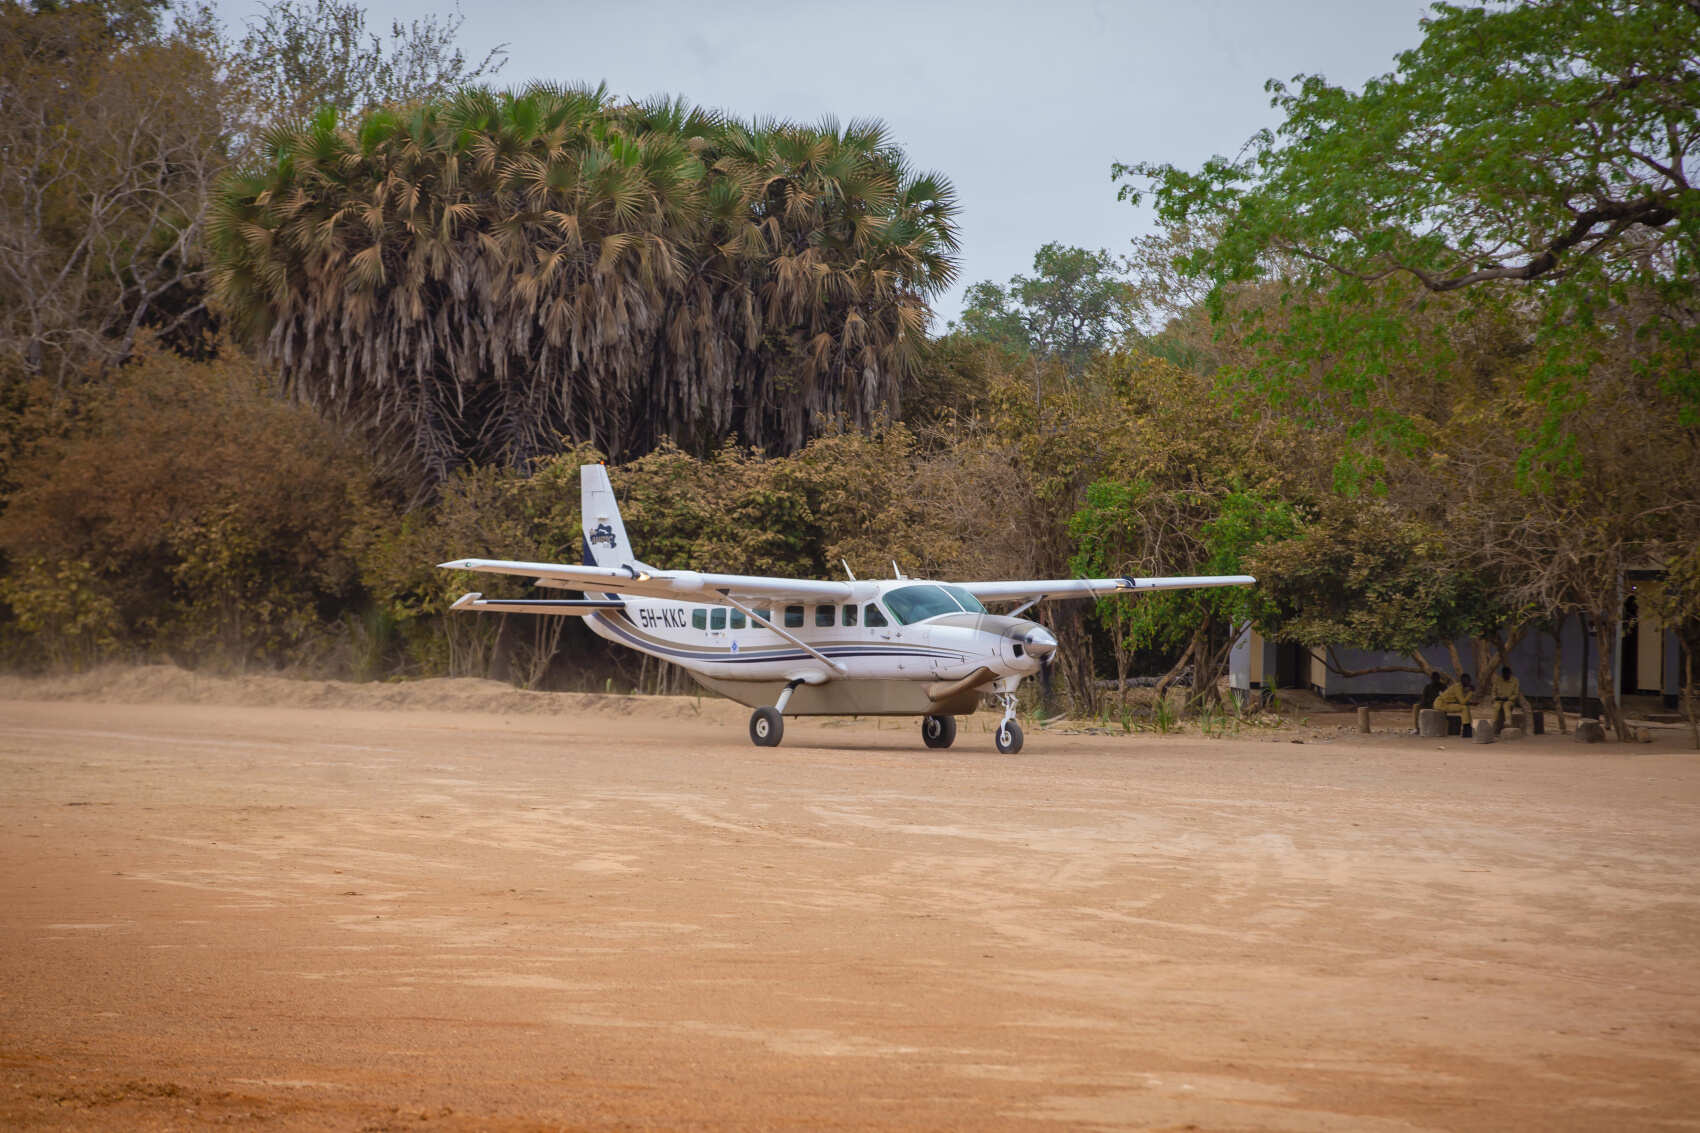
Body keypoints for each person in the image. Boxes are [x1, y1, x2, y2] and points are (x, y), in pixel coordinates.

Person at [1490, 665, 1531, 731]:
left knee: (1506, 705)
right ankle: (1494, 723)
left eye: (1507, 674)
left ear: (1510, 673)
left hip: (1509, 700)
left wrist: (1509, 698)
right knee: (1496, 706)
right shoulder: (1498, 680)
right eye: (1504, 674)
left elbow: (1516, 694)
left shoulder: (1515, 680)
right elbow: (1493, 691)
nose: (1505, 676)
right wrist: (1495, 697)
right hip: (1499, 700)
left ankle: (1508, 722)